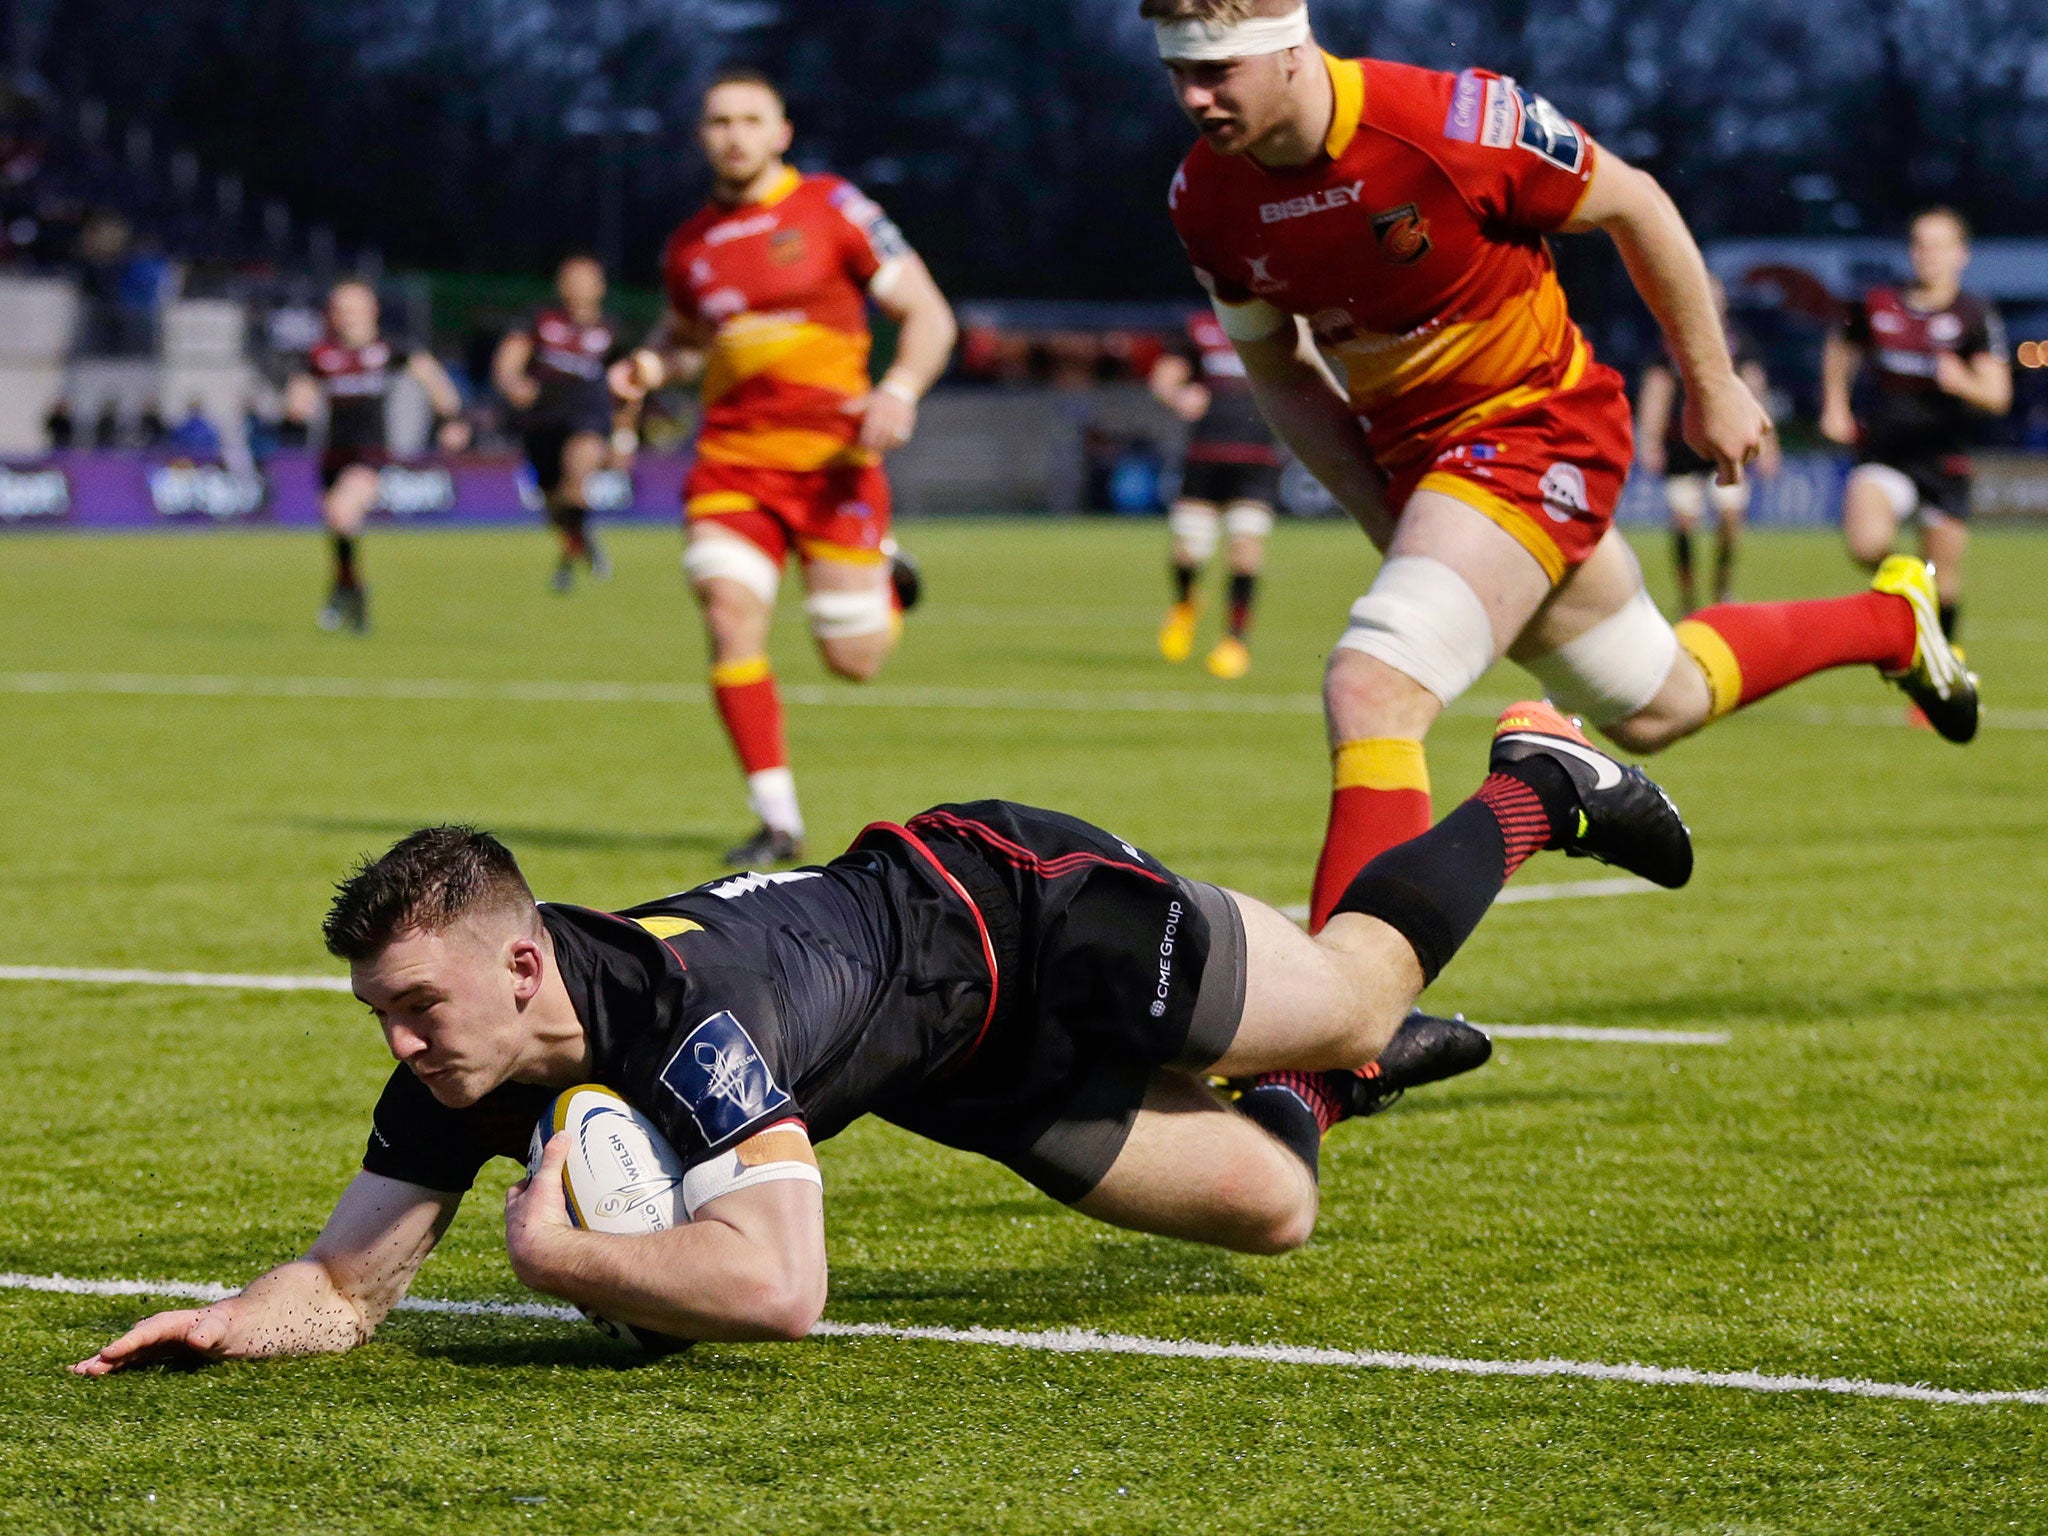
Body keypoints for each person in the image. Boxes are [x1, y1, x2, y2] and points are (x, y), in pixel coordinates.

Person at [71, 701, 1688, 1370]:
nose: (405, 1044)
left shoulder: (680, 1018)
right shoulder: (467, 1057)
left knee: (1351, 986)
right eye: (384, 1016)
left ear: (514, 960)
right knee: (1275, 1207)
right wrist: (233, 1319)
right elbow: (350, 1286)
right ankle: (1325, 1083)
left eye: (417, 1004)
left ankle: (1529, 784)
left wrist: (572, 1264)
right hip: (943, 1064)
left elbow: (778, 1292)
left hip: (1007, 906)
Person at [1147, 0, 1980, 932]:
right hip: (1439, 471)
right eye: (1179, 70)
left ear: (1292, 50)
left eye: (1217, 71)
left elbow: (1637, 203)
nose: (1194, 96)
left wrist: (1713, 385)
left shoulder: (1448, 123)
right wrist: (1394, 517)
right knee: (1656, 700)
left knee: (1373, 685)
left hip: (1539, 429)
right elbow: (1282, 374)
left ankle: (1338, 1035)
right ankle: (1892, 621)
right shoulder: (1205, 200)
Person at [610, 69, 957, 868]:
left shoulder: (835, 208)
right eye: (719, 121)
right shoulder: (690, 245)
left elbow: (929, 314)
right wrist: (649, 366)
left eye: (750, 119)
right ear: (703, 136)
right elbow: (684, 337)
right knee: (729, 613)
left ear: (781, 132)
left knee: (855, 661)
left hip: (834, 465)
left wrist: (899, 390)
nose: (734, 134)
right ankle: (777, 822)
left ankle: (885, 573)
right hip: (733, 462)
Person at [1820, 206, 2013, 642]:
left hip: (1944, 461)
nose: (1929, 254)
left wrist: (1962, 381)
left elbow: (1998, 395)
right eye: (1920, 244)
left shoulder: (1973, 314)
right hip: (1884, 453)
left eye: (1940, 245)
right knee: (1866, 545)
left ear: (1961, 254)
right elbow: (1841, 344)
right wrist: (1835, 405)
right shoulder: (1877, 303)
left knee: (1944, 579)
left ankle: (1942, 664)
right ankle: (1907, 592)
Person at [286, 281, 469, 633]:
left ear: (372, 311)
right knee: (339, 527)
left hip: (370, 453)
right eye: (341, 309)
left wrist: (451, 419)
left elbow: (433, 379)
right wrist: (297, 403)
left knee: (341, 513)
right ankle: (347, 588)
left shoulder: (390, 349)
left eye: (355, 308)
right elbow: (301, 389)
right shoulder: (321, 354)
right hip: (332, 455)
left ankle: (349, 590)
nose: (348, 317)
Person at [1151, 309, 1285, 678]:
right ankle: (1185, 604)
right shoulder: (1198, 327)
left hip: (1257, 460)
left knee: (1245, 553)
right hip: (1205, 457)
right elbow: (1164, 378)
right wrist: (1178, 395)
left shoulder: (1276, 320)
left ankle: (1234, 642)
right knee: (1187, 551)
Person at [1635, 276, 1780, 614]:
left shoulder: (1739, 343)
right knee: (1683, 524)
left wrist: (1769, 445)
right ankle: (1688, 594)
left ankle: (1723, 587)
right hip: (1682, 448)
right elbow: (1657, 391)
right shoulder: (1671, 342)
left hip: (1725, 448)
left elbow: (1757, 393)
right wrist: (1650, 441)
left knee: (1730, 517)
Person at [492, 254, 628, 593]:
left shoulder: (613, 331)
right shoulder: (540, 320)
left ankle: (567, 565)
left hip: (589, 420)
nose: (577, 287)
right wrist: (513, 383)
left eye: (585, 280)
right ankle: (580, 540)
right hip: (542, 424)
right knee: (554, 505)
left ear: (600, 287)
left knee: (577, 475)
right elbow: (508, 360)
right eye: (571, 279)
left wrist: (625, 436)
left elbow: (628, 386)